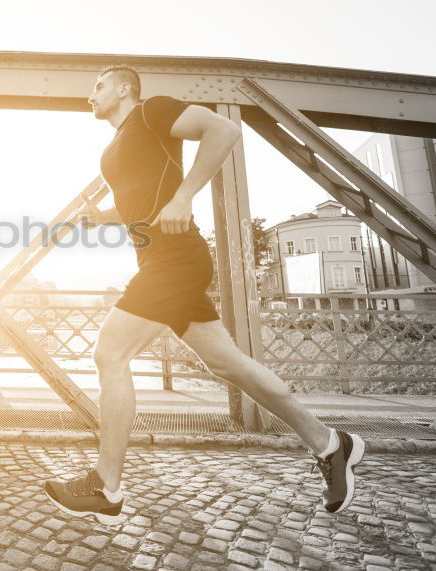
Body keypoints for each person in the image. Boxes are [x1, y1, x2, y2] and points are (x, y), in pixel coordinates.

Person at [43, 65, 364, 525]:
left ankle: (105, 485)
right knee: (229, 365)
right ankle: (332, 444)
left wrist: (185, 196)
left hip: (175, 260)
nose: (89, 94)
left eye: (97, 84)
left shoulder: (152, 111)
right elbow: (142, 205)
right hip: (160, 262)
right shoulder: (117, 143)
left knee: (109, 353)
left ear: (124, 88)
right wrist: (102, 219)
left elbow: (224, 129)